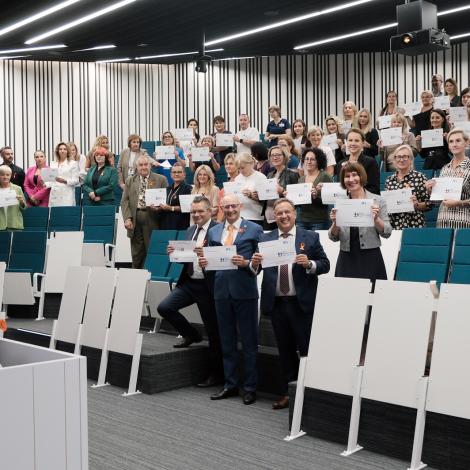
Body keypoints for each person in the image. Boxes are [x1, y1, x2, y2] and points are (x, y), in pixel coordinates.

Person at [251, 198, 330, 410]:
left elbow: (325, 264)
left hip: (300, 304)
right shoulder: (266, 239)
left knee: (306, 350)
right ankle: (290, 392)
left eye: (287, 212)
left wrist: (310, 264)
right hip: (277, 304)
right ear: (274, 216)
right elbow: (256, 271)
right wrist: (254, 264)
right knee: (285, 352)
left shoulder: (310, 237)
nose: (283, 216)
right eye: (279, 213)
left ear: (295, 214)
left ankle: (311, 393)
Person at [199, 194, 263, 405]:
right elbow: (209, 263)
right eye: (226, 206)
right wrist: (203, 261)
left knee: (249, 342)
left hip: (245, 291)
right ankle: (230, 384)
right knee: (226, 341)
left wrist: (246, 263)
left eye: (233, 206)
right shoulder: (214, 230)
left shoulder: (254, 230)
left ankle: (250, 387)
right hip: (221, 292)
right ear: (221, 208)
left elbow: (260, 263)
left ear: (240, 206)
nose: (230, 209)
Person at [157, 196, 224, 386]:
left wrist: (207, 255)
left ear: (210, 210)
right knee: (164, 307)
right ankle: (192, 335)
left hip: (209, 285)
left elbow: (222, 257)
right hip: (190, 282)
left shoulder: (219, 230)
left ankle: (216, 375)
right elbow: (184, 256)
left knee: (213, 332)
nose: (196, 215)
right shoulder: (190, 230)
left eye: (200, 211)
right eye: (194, 211)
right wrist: (173, 252)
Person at [329, 162, 391, 281]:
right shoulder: (340, 203)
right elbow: (333, 237)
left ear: (361, 177)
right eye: (347, 176)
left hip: (371, 258)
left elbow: (387, 232)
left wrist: (376, 219)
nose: (351, 179)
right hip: (346, 258)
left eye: (354, 175)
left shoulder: (378, 200)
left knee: (372, 296)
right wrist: (335, 223)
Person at [121, 155, 168, 269]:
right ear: (136, 167)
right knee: (136, 253)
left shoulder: (161, 179)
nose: (143, 167)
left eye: (146, 164)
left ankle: (153, 277)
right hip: (135, 218)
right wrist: (127, 218)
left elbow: (165, 200)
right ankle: (136, 278)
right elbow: (124, 201)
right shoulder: (130, 180)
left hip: (153, 218)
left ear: (150, 165)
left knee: (152, 250)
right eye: (140, 165)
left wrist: (160, 207)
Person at [426, 129, 470, 228]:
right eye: (451, 141)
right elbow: (438, 201)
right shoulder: (445, 169)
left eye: (458, 140)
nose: (454, 144)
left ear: (467, 143)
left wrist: (460, 203)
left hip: (464, 223)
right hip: (442, 222)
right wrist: (431, 191)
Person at [384, 144, 430, 229]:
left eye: (405, 157)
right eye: (398, 157)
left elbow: (429, 204)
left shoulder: (419, 177)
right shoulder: (389, 180)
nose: (401, 160)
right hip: (394, 225)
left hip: (414, 225)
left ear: (411, 159)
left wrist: (417, 205)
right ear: (394, 160)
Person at [262, 145, 299, 229]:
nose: (275, 157)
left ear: (284, 156)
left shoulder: (292, 174)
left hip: (285, 217)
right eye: (272, 155)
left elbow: (297, 198)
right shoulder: (269, 175)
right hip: (269, 216)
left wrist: (282, 191)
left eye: (278, 155)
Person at [297, 147, 333, 230]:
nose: (309, 162)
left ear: (318, 161)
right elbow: (299, 202)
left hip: (319, 221)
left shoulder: (325, 176)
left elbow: (330, 201)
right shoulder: (301, 179)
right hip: (301, 220)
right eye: (306, 159)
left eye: (312, 159)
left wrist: (316, 196)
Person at [336, 128, 380, 194]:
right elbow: (340, 187)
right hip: (345, 203)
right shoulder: (340, 164)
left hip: (364, 202)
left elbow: (374, 189)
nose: (353, 143)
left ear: (363, 143)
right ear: (346, 142)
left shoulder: (370, 162)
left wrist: (354, 191)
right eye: (350, 140)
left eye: (356, 141)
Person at [234, 153, 266, 224]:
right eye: (238, 168)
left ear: (251, 164)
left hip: (256, 217)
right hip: (240, 216)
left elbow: (266, 200)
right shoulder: (237, 178)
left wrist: (252, 196)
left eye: (242, 167)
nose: (241, 171)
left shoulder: (261, 177)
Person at [159, 162, 192, 230]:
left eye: (179, 172)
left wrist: (171, 208)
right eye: (174, 172)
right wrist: (158, 208)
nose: (176, 174)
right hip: (166, 223)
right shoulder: (167, 189)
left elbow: (187, 208)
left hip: (181, 224)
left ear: (184, 174)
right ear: (171, 175)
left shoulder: (188, 188)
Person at [46, 142, 79, 207]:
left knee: (66, 214)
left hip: (66, 195)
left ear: (67, 151)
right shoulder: (53, 164)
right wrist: (44, 183)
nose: (62, 151)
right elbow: (51, 180)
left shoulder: (73, 163)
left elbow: (76, 180)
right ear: (57, 151)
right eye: (60, 149)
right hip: (55, 195)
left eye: (64, 149)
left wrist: (64, 181)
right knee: (54, 214)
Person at [0, 165, 26, 230]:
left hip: (15, 224)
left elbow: (24, 208)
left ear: (11, 176)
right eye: (2, 175)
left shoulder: (17, 189)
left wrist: (22, 201)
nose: (5, 177)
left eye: (7, 175)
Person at [217, 153, 239, 222]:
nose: (228, 166)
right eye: (226, 164)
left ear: (238, 165)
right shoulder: (227, 183)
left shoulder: (241, 181)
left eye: (231, 164)